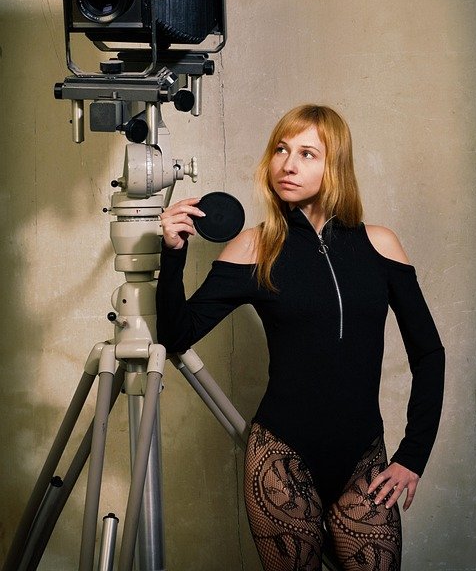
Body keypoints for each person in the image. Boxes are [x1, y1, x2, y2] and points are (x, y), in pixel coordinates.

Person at [156, 104, 445, 571]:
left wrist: (413, 455)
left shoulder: (380, 245)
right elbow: (176, 335)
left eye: (307, 153)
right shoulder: (255, 246)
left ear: (336, 165)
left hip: (363, 459)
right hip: (281, 458)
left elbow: (428, 354)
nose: (288, 165)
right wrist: (172, 255)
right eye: (281, 150)